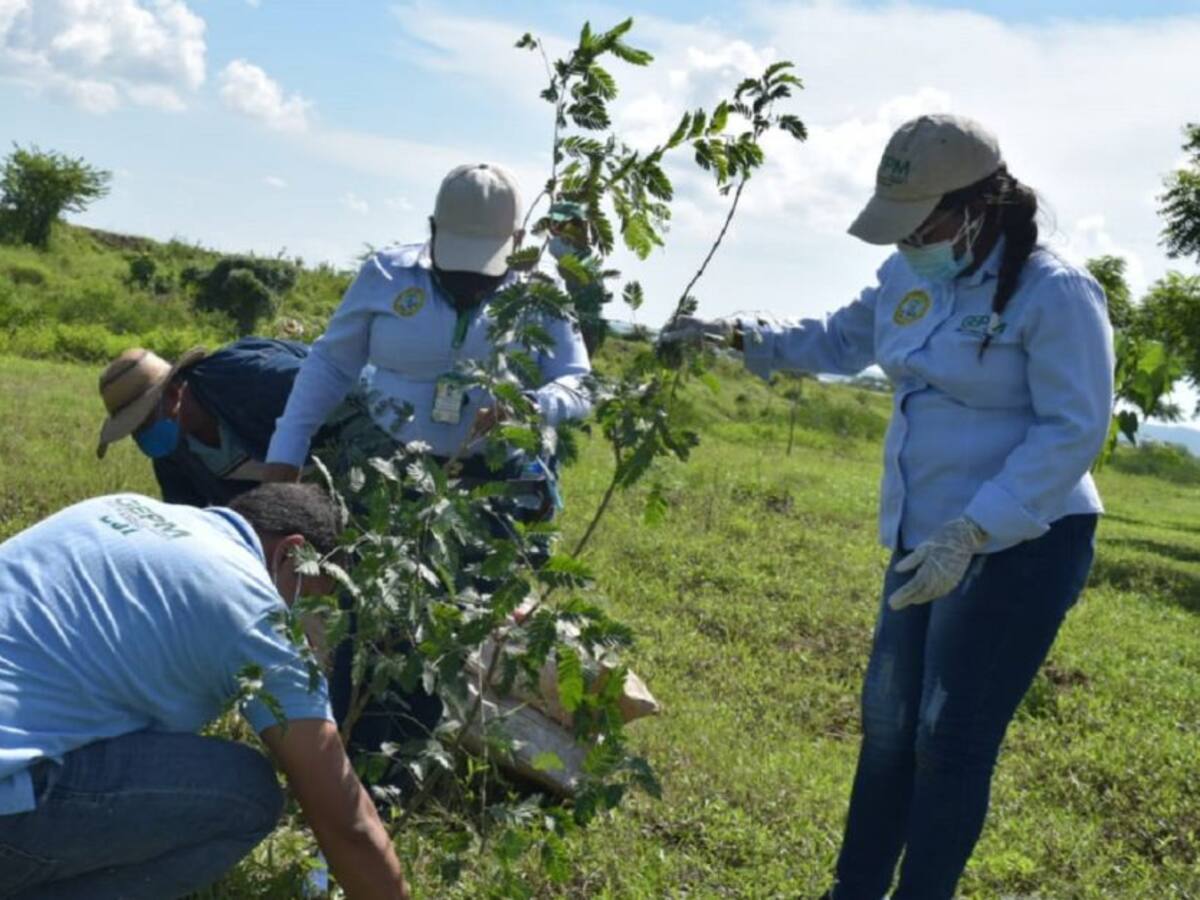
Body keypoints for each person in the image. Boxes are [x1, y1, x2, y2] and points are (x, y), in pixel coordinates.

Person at [661, 114, 1114, 900]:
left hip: (1021, 541)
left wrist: (977, 527)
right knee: (889, 728)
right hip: (923, 534)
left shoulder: (1055, 291)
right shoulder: (912, 274)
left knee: (951, 738)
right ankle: (854, 889)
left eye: (923, 222)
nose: (909, 241)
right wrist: (736, 335)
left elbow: (1073, 428)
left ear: (979, 205)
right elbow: (837, 342)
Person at [259, 163, 594, 763]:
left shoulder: (540, 289)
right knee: (370, 616)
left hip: (486, 487)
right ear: (432, 229)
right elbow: (330, 365)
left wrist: (531, 407)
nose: (468, 279)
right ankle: (350, 759)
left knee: (446, 624)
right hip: (388, 476)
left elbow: (578, 383)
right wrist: (285, 456)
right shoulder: (386, 274)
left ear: (516, 243)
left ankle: (400, 760)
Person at [0, 483, 410, 899]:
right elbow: (347, 823)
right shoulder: (253, 608)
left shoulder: (119, 508)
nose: (310, 627)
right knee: (247, 794)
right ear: (291, 553)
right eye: (315, 603)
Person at [96, 338, 366, 507]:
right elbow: (190, 522)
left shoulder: (257, 379)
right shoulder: (173, 456)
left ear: (174, 393)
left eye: (144, 423)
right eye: (135, 432)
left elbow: (356, 394)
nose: (143, 437)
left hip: (365, 451)